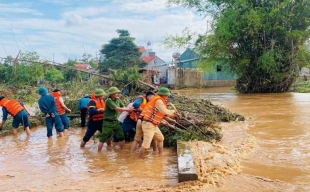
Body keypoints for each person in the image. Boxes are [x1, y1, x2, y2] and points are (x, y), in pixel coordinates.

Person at [138, 87, 181, 159]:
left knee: (160, 138)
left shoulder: (158, 100)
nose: (167, 97)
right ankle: (138, 160)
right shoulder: (158, 101)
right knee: (146, 145)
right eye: (166, 95)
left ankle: (160, 156)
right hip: (149, 124)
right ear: (163, 95)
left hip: (153, 124)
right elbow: (165, 111)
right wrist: (174, 112)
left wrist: (174, 115)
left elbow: (164, 114)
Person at [97, 87, 134, 152]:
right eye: (116, 93)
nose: (117, 94)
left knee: (121, 136)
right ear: (111, 94)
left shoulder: (118, 99)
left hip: (115, 122)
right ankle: (99, 153)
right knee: (103, 138)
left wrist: (130, 110)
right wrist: (129, 110)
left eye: (117, 93)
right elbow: (117, 108)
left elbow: (123, 107)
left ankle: (122, 151)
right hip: (107, 122)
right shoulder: (108, 101)